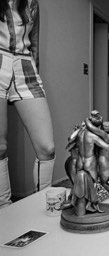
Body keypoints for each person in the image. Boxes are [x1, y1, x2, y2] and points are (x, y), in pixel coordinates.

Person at [0, 0, 55, 208]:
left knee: (47, 147)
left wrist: (34, 70)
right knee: (0, 147)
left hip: (25, 66)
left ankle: (47, 204)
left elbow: (35, 42)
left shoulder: (32, 3)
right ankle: (4, 209)